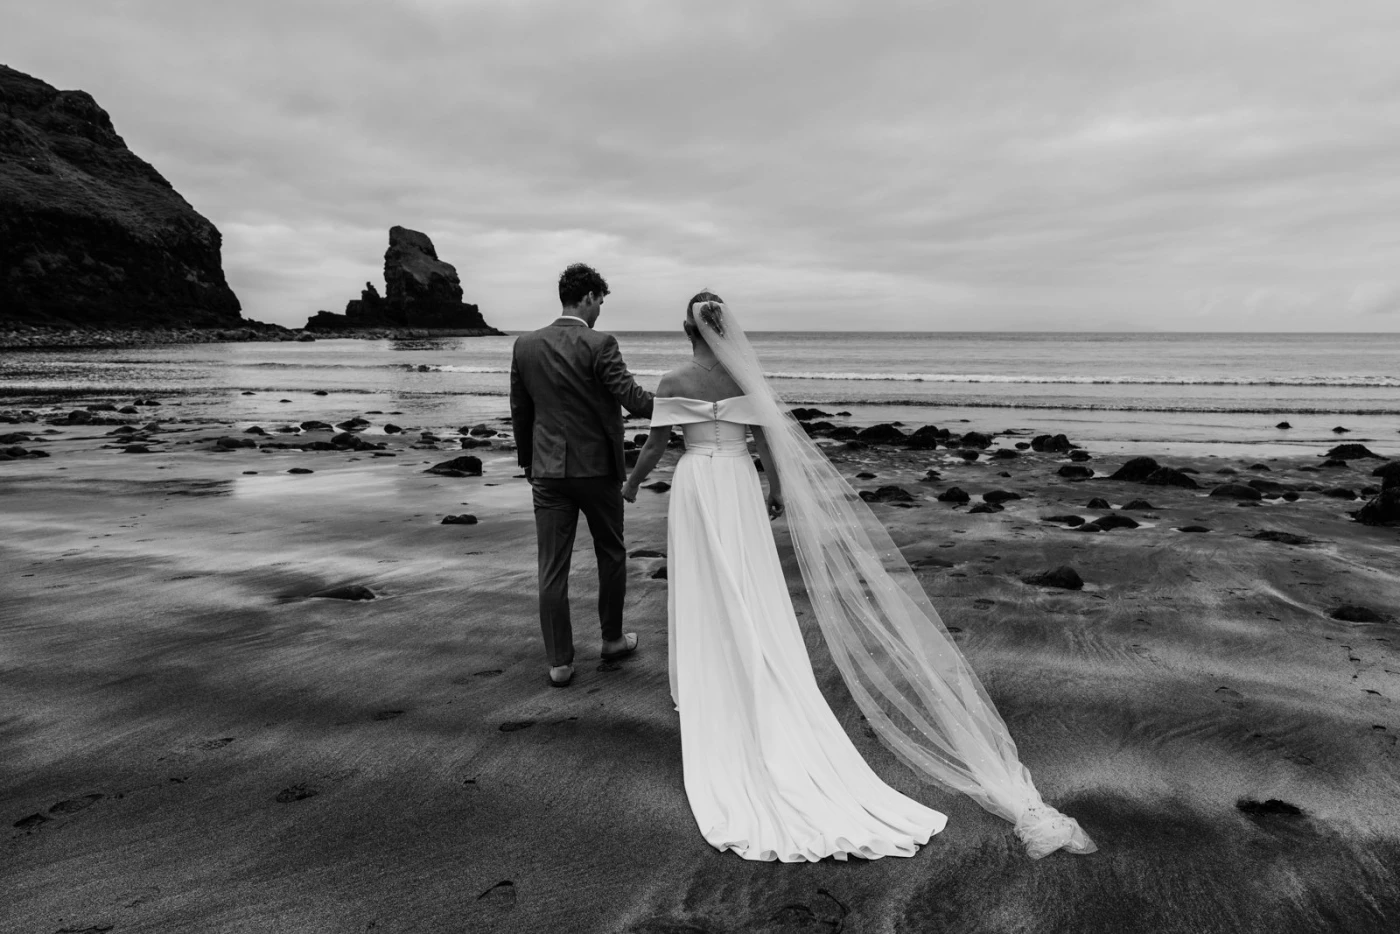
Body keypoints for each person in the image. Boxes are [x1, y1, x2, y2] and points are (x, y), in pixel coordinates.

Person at [623, 291, 1098, 862]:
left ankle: (710, 676)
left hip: (698, 484)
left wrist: (629, 486)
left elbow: (655, 446)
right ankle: (753, 660)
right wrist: (774, 488)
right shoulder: (746, 377)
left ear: (686, 330)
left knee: (706, 582)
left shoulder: (672, 381)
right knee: (749, 579)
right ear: (728, 330)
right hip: (738, 485)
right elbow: (766, 441)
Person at [510, 263, 654, 688]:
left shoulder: (525, 345)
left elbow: (522, 410)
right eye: (600, 303)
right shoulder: (600, 343)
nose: (599, 313)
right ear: (589, 297)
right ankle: (611, 639)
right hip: (597, 470)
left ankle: (559, 663)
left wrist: (529, 463)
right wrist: (686, 397)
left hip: (548, 472)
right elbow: (633, 398)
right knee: (611, 553)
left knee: (551, 567)